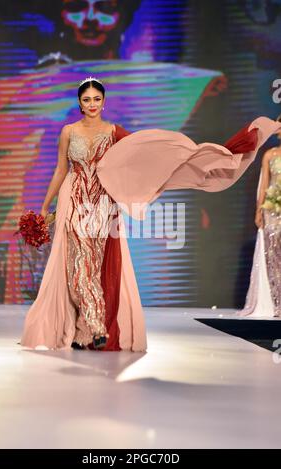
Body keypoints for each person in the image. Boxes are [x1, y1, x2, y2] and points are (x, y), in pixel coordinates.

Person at [20, 76, 281, 352]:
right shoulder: (68, 132)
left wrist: (184, 156)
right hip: (72, 201)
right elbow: (61, 169)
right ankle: (93, 327)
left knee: (91, 266)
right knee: (76, 265)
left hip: (102, 203)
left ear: (104, 102)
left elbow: (143, 154)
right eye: (87, 100)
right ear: (79, 103)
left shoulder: (113, 131)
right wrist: (44, 205)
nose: (92, 104)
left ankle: (88, 330)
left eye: (97, 99)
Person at [237, 114, 281, 318]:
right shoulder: (270, 155)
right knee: (271, 255)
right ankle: (274, 301)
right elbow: (264, 184)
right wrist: (259, 210)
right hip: (271, 209)